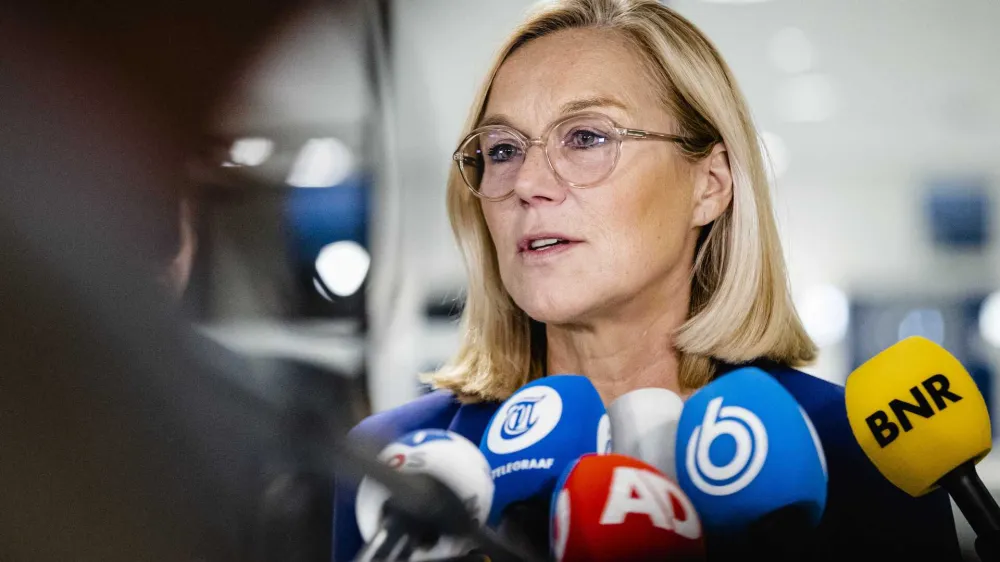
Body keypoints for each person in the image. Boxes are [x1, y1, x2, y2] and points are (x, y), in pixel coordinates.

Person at [333, 0, 962, 560]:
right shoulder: (401, 459)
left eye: (585, 137)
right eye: (502, 149)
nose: (526, 183)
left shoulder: (861, 452)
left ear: (710, 184)